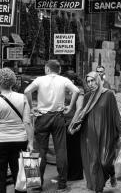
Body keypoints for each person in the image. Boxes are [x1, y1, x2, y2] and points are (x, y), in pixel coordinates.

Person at [24, 60, 80, 191]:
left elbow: (27, 91)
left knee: (40, 151)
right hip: (58, 117)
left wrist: (32, 107)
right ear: (59, 70)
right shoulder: (63, 80)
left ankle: (37, 185)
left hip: (42, 117)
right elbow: (76, 91)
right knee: (61, 150)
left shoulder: (40, 80)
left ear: (47, 69)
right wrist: (70, 107)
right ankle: (62, 185)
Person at [68, 72, 121, 193]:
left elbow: (115, 115)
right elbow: (83, 115)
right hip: (90, 134)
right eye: (88, 81)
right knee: (93, 162)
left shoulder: (108, 94)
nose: (90, 84)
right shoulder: (87, 97)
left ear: (98, 80)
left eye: (93, 80)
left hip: (106, 133)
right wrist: (75, 126)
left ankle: (111, 173)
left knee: (105, 161)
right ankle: (98, 188)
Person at [0, 68, 33, 193]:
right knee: (20, 176)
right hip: (20, 140)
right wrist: (30, 142)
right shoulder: (22, 97)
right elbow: (27, 122)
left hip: (1, 141)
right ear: (13, 81)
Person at [63, 71, 84, 181]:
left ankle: (76, 174)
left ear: (72, 81)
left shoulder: (79, 91)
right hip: (66, 122)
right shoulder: (66, 91)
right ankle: (69, 173)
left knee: (74, 149)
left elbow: (79, 108)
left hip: (74, 123)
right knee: (68, 149)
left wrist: (72, 124)